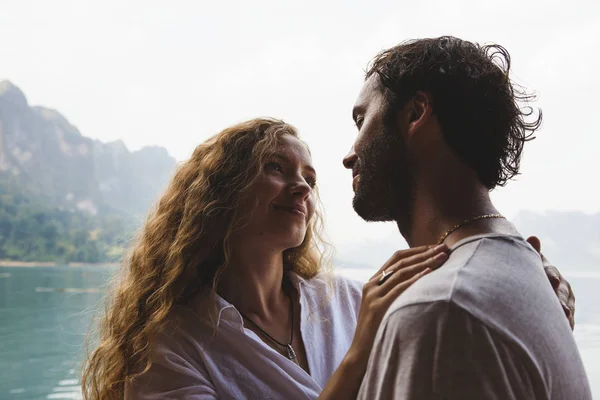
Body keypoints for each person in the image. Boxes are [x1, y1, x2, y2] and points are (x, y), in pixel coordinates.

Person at [343, 36, 591, 399]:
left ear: (416, 113)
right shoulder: (524, 271)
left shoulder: (440, 311)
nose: (349, 156)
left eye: (362, 120)